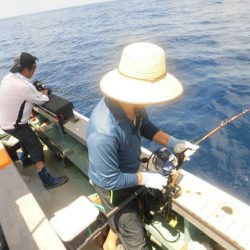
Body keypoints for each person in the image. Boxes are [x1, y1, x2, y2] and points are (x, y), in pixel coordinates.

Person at [87, 42, 199, 250]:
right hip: (112, 186)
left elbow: (146, 127)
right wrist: (146, 178)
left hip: (129, 171)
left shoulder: (133, 104)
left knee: (128, 214)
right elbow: (108, 179)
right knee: (136, 241)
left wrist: (174, 143)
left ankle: (110, 242)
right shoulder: (103, 132)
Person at [0, 52, 68, 189]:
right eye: (34, 68)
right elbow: (42, 100)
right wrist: (45, 91)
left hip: (4, 122)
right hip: (15, 125)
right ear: (26, 69)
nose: (35, 71)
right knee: (35, 146)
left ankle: (25, 160)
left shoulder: (8, 78)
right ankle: (47, 181)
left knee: (27, 137)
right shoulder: (25, 86)